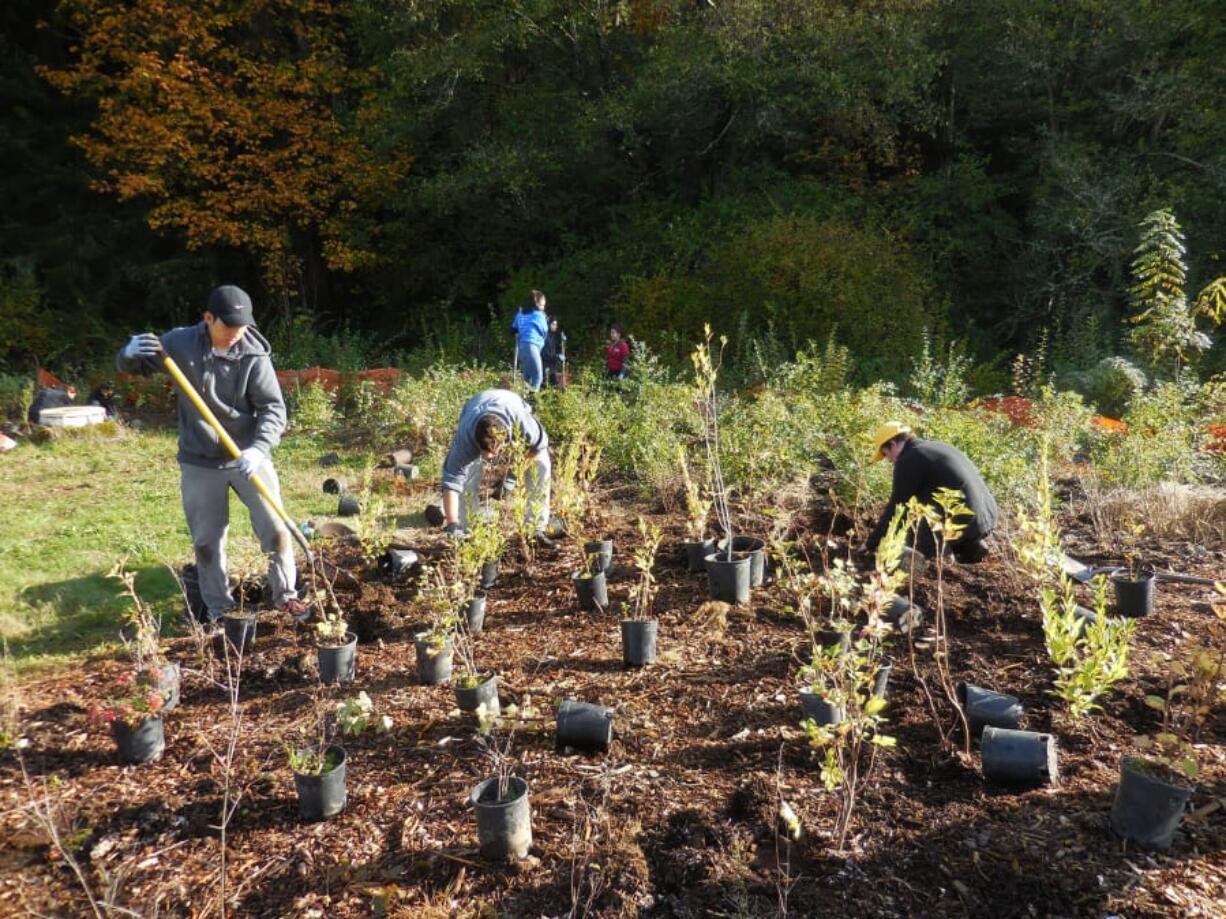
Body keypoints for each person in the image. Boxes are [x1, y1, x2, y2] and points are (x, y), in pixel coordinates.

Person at [116, 284, 306, 622]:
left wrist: (259, 449)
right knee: (207, 541)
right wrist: (129, 354)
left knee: (275, 528)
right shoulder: (179, 343)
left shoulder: (253, 355)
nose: (235, 335)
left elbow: (273, 409)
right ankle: (220, 610)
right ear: (208, 318)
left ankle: (286, 597)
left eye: (242, 328)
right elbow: (136, 367)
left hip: (248, 456)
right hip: (200, 460)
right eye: (228, 327)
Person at [866, 421, 998, 564]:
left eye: (886, 455)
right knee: (925, 503)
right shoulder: (936, 447)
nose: (890, 460)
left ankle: (926, 562)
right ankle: (970, 547)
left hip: (963, 521)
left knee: (901, 536)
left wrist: (872, 543)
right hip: (987, 517)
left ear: (892, 444)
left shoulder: (909, 459)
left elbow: (897, 507)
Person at [440, 388, 551, 543]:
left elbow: (537, 448)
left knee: (540, 468)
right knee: (468, 477)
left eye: (493, 451)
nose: (489, 457)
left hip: (511, 403)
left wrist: (512, 477)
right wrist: (452, 524)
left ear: (505, 438)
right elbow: (451, 481)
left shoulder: (524, 424)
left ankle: (536, 529)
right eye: (484, 451)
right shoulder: (466, 438)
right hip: (475, 405)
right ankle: (467, 530)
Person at [510, 290, 549, 391]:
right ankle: (533, 402)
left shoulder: (520, 314)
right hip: (532, 346)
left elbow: (513, 330)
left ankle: (524, 400)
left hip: (522, 347)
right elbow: (545, 331)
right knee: (538, 376)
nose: (543, 308)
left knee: (527, 377)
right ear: (536, 303)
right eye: (542, 305)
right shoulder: (539, 315)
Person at [541, 316, 567, 388]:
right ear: (548, 324)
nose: (555, 326)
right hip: (545, 367)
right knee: (545, 386)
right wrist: (556, 356)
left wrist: (563, 342)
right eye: (553, 324)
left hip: (552, 367)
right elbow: (544, 354)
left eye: (556, 325)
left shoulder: (553, 336)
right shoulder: (545, 336)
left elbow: (556, 349)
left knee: (554, 386)